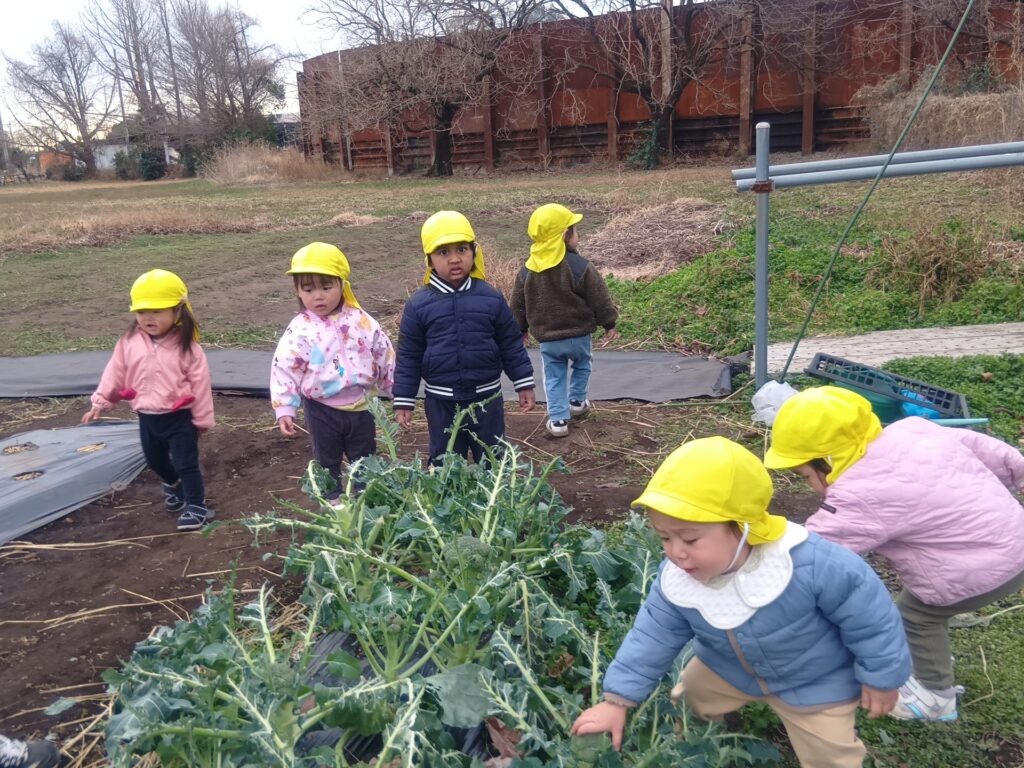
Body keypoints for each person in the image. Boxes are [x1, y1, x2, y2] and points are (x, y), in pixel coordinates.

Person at [571, 437, 910, 767]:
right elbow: (653, 636)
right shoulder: (676, 579)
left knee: (830, 756)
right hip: (728, 669)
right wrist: (616, 701)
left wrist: (882, 677)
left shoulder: (812, 564)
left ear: (744, 526)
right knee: (689, 699)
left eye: (690, 538)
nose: (676, 552)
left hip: (814, 680)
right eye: (664, 537)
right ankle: (697, 745)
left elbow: (872, 621)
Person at [764, 385, 1024, 722]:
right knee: (917, 611)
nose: (809, 485)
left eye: (805, 475)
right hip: (1013, 536)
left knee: (917, 617)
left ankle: (935, 697)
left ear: (829, 461)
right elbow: (989, 450)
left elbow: (817, 550)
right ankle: (926, 661)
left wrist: (765, 558)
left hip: (981, 568)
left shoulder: (860, 494)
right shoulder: (913, 430)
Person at [393, 211, 535, 463]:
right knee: (445, 463)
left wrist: (523, 382)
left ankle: (493, 488)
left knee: (493, 460)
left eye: (461, 249)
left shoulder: (491, 298)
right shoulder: (418, 305)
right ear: (429, 260)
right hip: (441, 401)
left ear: (474, 252)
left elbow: (510, 344)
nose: (455, 259)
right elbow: (409, 356)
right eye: (443, 252)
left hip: (487, 398)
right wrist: (404, 400)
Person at [82, 269, 214, 531]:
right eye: (142, 312)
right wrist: (100, 401)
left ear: (178, 311)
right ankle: (173, 484)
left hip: (180, 418)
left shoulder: (189, 348)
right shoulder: (129, 342)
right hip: (147, 417)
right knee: (155, 461)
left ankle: (196, 506)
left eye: (157, 311)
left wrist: (201, 421)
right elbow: (115, 372)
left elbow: (201, 386)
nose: (148, 318)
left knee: (186, 463)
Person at [270, 242, 395, 495]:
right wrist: (284, 408)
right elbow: (284, 368)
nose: (318, 296)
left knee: (365, 460)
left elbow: (384, 353)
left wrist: (397, 391)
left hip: (363, 406)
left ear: (342, 285)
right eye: (308, 289)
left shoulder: (360, 320)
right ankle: (334, 503)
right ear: (298, 291)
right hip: (321, 409)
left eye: (326, 288)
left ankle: (366, 499)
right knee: (327, 462)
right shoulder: (300, 330)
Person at [510, 203, 618, 438]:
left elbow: (518, 304)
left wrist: (520, 329)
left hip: (549, 341)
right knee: (583, 365)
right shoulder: (579, 266)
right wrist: (608, 322)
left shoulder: (527, 271)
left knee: (554, 377)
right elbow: (599, 296)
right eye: (574, 230)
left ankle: (558, 420)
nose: (577, 235)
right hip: (579, 336)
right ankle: (577, 401)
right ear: (563, 235)